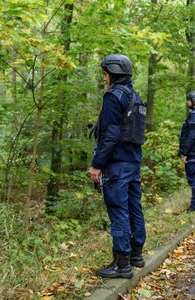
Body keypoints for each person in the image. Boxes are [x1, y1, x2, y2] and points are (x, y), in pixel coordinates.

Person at [90, 54, 146, 279]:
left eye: (105, 73)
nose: (104, 78)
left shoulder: (114, 96)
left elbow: (111, 135)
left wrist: (96, 165)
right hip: (133, 161)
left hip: (118, 163)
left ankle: (121, 264)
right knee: (134, 206)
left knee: (118, 208)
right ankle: (136, 255)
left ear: (114, 72)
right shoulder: (135, 95)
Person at [178, 91, 195, 212]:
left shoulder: (194, 117)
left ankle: (194, 207)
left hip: (192, 154)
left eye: (188, 100)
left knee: (193, 180)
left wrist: (184, 153)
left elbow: (191, 136)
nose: (187, 102)